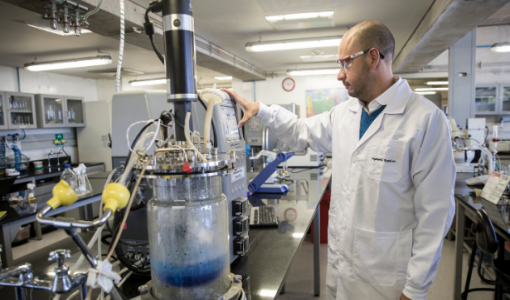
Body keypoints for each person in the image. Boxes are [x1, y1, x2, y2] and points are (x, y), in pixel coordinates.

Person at [222, 20, 456, 300]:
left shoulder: (425, 120)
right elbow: (301, 132)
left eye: (346, 63)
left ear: (373, 57)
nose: (339, 74)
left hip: (388, 281)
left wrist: (416, 290)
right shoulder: (345, 114)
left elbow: (436, 213)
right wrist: (261, 110)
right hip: (341, 270)